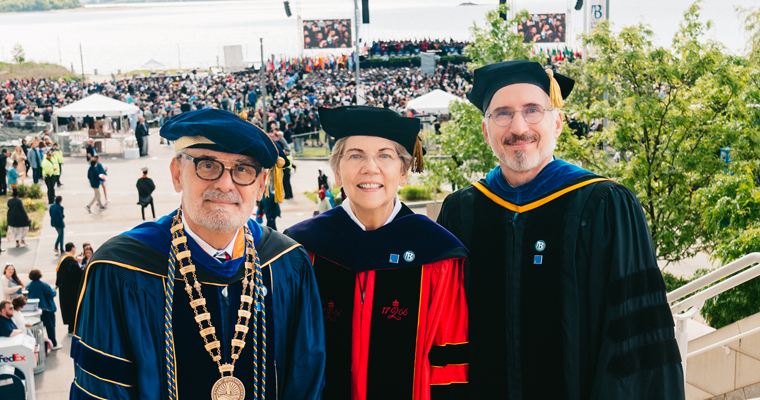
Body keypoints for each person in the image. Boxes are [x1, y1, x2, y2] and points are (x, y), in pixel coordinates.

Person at [436, 60, 685, 399]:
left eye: (532, 110)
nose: (518, 126)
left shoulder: (604, 205)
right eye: (503, 113)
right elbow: (442, 328)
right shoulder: (461, 211)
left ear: (557, 123)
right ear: (486, 130)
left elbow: (635, 343)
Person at [70, 108, 325, 399]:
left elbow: (306, 375)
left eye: (243, 169)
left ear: (261, 185)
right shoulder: (120, 270)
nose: (225, 184)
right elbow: (102, 390)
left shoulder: (286, 262)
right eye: (207, 165)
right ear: (178, 174)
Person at [286, 106, 469, 399]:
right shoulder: (303, 250)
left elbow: (449, 363)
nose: (370, 167)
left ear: (404, 173)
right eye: (356, 155)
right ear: (336, 171)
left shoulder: (437, 255)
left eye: (385, 155)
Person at [27, 269, 61, 349]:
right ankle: (53, 344)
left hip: (35, 311)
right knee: (50, 327)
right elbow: (51, 294)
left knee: (38, 329)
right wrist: (54, 290)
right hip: (47, 309)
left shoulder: (29, 286)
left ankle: (38, 345)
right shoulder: (43, 285)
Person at [56, 242, 82, 335]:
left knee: (69, 308)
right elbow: (76, 274)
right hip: (71, 290)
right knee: (73, 308)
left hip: (65, 289)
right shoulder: (70, 260)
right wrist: (80, 267)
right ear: (72, 248)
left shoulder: (63, 259)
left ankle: (71, 327)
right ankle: (73, 328)